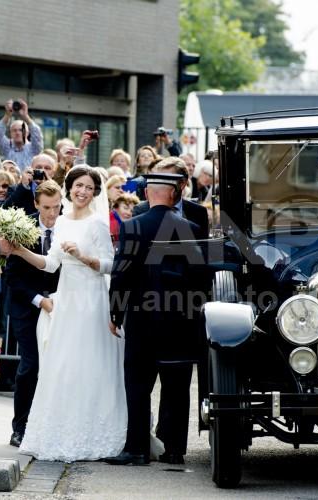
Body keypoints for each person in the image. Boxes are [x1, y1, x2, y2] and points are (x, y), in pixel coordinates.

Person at [12, 166, 127, 461]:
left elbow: (110, 264)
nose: (82, 191)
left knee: (90, 363)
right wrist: (19, 251)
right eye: (78, 186)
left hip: (91, 299)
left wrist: (82, 257)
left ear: (94, 193)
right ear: (70, 188)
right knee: (62, 365)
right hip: (67, 301)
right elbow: (50, 263)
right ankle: (59, 431)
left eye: (88, 187)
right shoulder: (61, 221)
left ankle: (94, 432)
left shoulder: (97, 223)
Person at [107, 172, 205, 466]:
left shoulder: (134, 225)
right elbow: (200, 276)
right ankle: (174, 449)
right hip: (180, 318)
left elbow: (121, 271)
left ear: (149, 193)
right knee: (176, 385)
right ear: (175, 194)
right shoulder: (190, 227)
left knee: (138, 384)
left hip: (142, 317)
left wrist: (116, 310)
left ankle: (136, 448)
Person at [5, 180, 62, 447]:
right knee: (30, 365)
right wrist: (40, 300)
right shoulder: (23, 227)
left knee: (58, 367)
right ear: (37, 205)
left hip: (61, 306)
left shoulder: (66, 226)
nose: (52, 213)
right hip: (26, 306)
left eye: (57, 207)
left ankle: (50, 423)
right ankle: (20, 427)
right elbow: (13, 277)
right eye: (47, 207)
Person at [133, 157, 209, 238]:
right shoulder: (141, 210)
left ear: (182, 183)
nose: (161, 184)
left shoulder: (199, 212)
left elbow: (203, 247)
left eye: (167, 180)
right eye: (159, 179)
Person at [0, 99, 43, 170]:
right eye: (14, 130)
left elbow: (37, 134)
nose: (18, 132)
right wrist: (7, 115)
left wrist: (26, 116)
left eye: (21, 130)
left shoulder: (34, 149)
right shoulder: (7, 147)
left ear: (28, 133)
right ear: (10, 133)